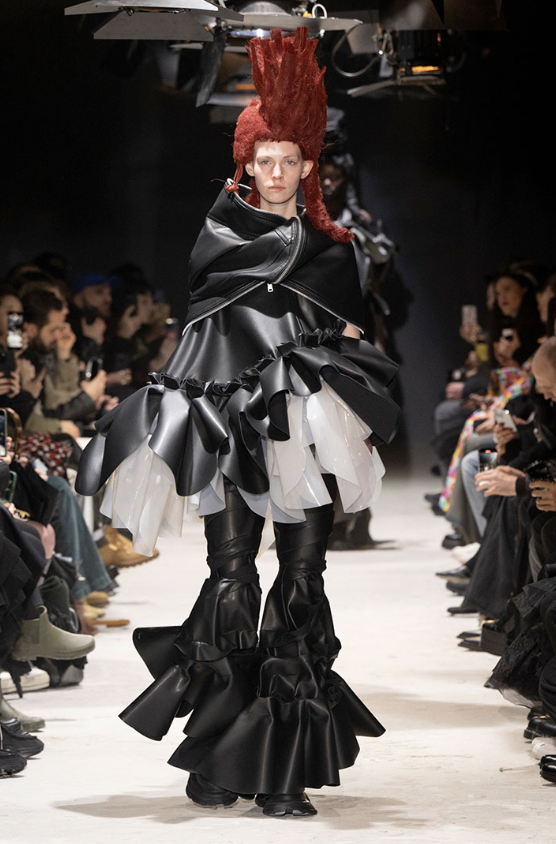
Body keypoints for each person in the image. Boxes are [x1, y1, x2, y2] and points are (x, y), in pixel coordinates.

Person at [76, 28, 399, 818]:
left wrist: (335, 357)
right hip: (229, 429)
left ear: (307, 166)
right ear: (246, 165)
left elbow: (351, 340)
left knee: (301, 581)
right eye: (264, 159)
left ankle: (281, 770)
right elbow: (202, 337)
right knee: (230, 581)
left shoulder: (335, 252)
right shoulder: (218, 239)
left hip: (307, 433)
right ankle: (223, 755)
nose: (276, 172)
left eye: (289, 159)